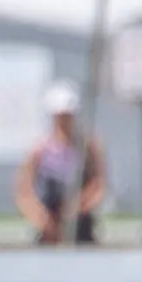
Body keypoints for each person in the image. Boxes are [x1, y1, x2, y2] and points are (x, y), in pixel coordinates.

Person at [15, 80, 107, 244]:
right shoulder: (40, 150)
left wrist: (78, 207)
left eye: (68, 116)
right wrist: (42, 220)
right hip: (48, 227)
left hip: (80, 226)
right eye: (60, 116)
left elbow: (99, 185)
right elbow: (24, 191)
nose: (64, 121)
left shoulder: (88, 147)